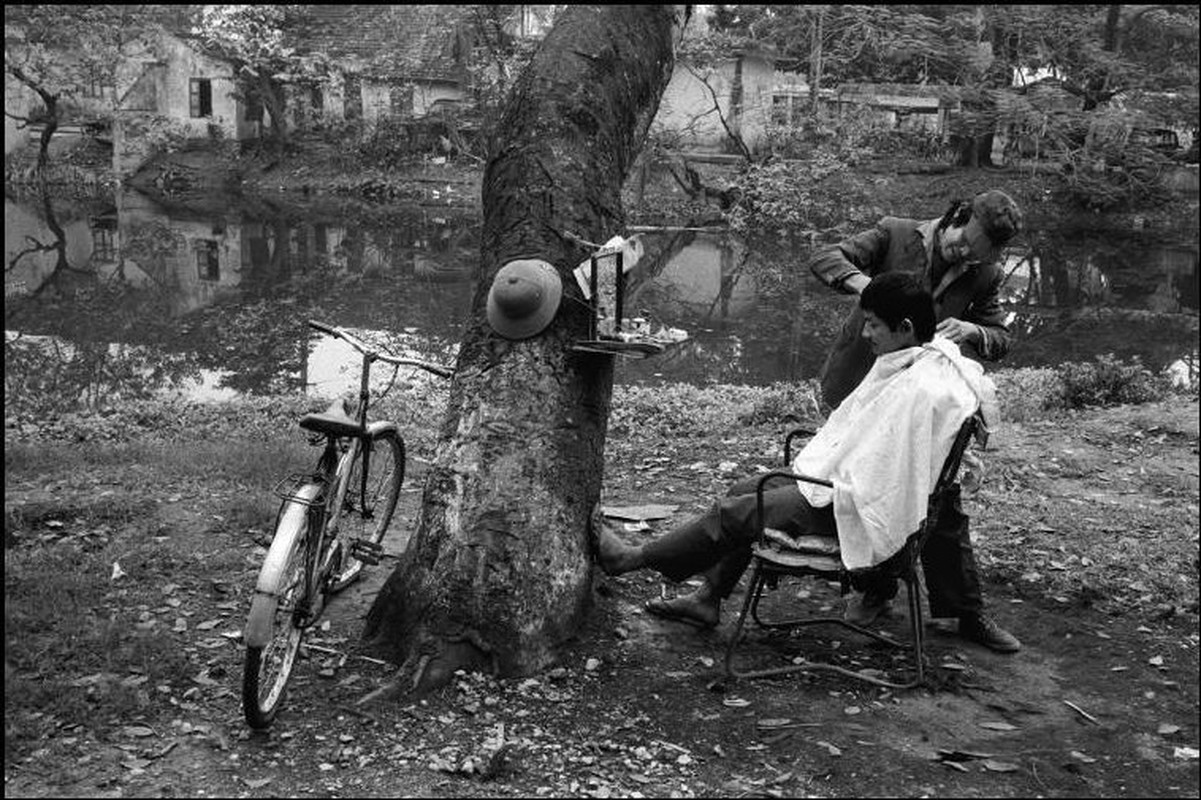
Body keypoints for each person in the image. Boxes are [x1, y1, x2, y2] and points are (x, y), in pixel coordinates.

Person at [595, 273, 1017, 653]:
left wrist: (829, 479)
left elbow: (885, 473)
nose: (865, 333)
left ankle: (632, 560)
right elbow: (873, 443)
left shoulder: (922, 388)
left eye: (873, 324)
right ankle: (708, 600)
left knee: (739, 510)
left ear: (905, 328)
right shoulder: (921, 359)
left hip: (856, 505)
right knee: (745, 488)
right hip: (847, 485)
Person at [804, 190, 1023, 653]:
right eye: (965, 243)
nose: (964, 256)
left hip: (915, 406)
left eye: (977, 255)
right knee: (854, 484)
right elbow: (826, 255)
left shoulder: (985, 275)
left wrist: (973, 331)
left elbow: (1002, 338)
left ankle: (964, 613)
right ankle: (874, 586)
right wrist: (869, 290)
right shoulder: (894, 233)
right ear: (957, 216)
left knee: (940, 499)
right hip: (859, 384)